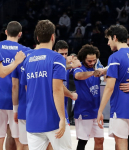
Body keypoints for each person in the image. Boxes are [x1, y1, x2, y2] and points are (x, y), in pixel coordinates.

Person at [20, 20, 77, 150]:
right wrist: (63, 118)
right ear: (53, 36)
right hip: (53, 119)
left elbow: (27, 89)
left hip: (33, 121)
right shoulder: (57, 58)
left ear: (38, 37)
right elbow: (57, 90)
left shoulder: (27, 60)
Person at [97, 25, 129, 150]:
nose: (108, 43)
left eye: (109, 39)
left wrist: (100, 111)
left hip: (121, 108)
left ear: (115, 37)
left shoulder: (115, 57)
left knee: (122, 144)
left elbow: (109, 87)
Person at [0, 21, 27, 150]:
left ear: (6, 32)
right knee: (19, 139)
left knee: (0, 138)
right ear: (20, 34)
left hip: (0, 100)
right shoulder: (25, 51)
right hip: (16, 101)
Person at [73, 44, 104, 150]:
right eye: (89, 61)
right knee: (83, 141)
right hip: (83, 111)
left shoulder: (97, 66)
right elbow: (78, 76)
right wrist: (92, 73)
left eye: (94, 60)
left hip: (96, 111)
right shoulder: (78, 68)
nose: (92, 63)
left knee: (100, 139)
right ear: (83, 58)